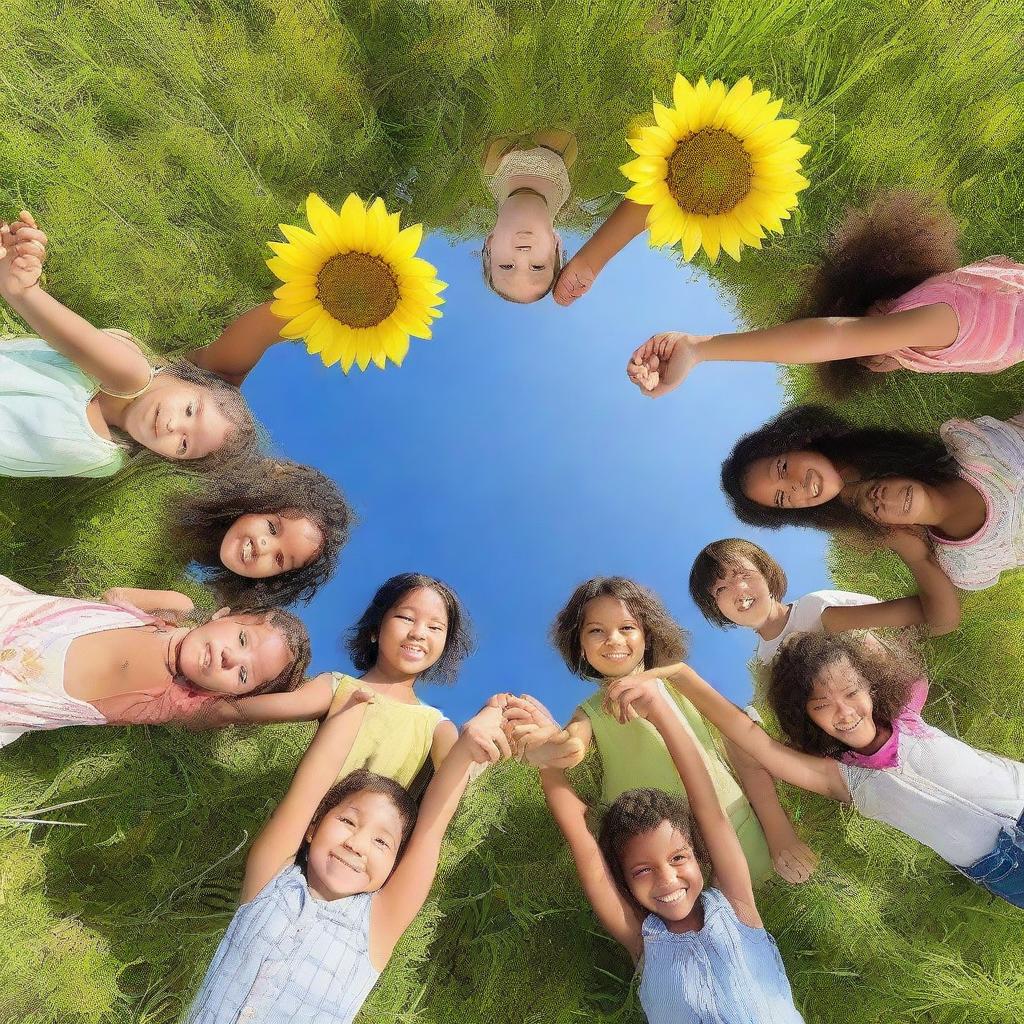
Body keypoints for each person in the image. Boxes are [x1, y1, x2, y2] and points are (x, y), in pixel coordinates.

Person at [616, 631, 1024, 908]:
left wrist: (829, 646)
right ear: (806, 717)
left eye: (851, 692)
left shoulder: (908, 718)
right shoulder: (845, 780)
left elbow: (872, 641)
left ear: (871, 687)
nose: (843, 712)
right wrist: (682, 675)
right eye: (822, 706)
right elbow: (750, 738)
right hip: (1000, 866)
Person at [185, 692, 512, 1023]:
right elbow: (312, 783)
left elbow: (432, 827)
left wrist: (469, 742)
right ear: (312, 827)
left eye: (382, 842)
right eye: (347, 821)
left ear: (394, 867)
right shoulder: (268, 879)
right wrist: (351, 705)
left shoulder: (378, 926)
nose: (357, 844)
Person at [534, 675, 804, 1022]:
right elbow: (581, 841)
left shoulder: (737, 906)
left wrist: (661, 711)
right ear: (625, 882)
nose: (667, 878)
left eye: (678, 858)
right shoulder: (644, 943)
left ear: (697, 856)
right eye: (642, 870)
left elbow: (707, 806)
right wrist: (545, 758)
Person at [509, 576, 808, 883]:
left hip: (737, 831)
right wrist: (547, 744)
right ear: (581, 647)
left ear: (647, 637)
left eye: (627, 628)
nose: (613, 639)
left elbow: (743, 744)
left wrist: (779, 832)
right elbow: (571, 746)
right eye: (596, 631)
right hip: (659, 865)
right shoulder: (591, 710)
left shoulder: (679, 686)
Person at [624, 192, 1024, 398]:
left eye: (868, 343)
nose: (874, 359)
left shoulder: (941, 321)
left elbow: (831, 338)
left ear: (883, 308)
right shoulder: (922, 338)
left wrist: (699, 348)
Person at [0, 213, 258, 477]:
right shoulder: (129, 373)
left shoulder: (106, 460)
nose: (173, 426)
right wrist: (19, 285)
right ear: (187, 379)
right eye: (190, 410)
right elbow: (23, 296)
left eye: (184, 444)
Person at [721, 403, 1024, 592]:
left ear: (800, 443)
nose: (794, 487)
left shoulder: (969, 453)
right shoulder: (958, 556)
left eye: (783, 468)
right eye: (782, 499)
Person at [0, 572, 309, 750]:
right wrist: (172, 604)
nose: (231, 658)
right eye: (242, 639)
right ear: (222, 615)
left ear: (226, 695)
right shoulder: (165, 614)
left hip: (20, 699)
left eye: (243, 675)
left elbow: (244, 713)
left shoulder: (175, 701)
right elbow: (114, 595)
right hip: (28, 619)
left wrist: (325, 699)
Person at [688, 537, 961, 664]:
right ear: (716, 609)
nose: (738, 589)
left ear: (767, 574)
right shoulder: (764, 663)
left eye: (743, 574)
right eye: (720, 589)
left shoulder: (816, 607)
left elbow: (919, 617)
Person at [479, 130, 577, 303]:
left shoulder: (486, 164)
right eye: (537, 266)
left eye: (507, 266)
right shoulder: (580, 186)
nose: (523, 253)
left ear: (490, 242)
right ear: (556, 243)